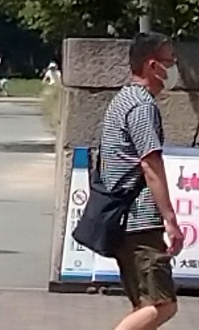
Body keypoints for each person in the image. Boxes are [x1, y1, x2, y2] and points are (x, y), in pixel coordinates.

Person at [99, 33, 183, 330]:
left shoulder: (123, 99)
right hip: (140, 219)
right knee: (163, 305)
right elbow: (150, 163)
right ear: (152, 65)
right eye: (169, 61)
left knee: (144, 305)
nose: (173, 68)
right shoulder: (142, 106)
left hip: (124, 218)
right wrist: (170, 219)